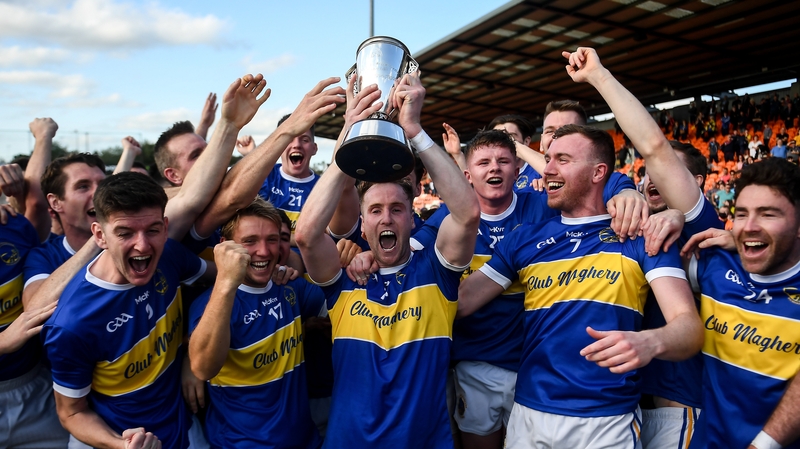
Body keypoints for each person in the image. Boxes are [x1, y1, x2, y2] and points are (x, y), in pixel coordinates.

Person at [457, 120, 702, 448]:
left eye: (563, 160)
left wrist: (651, 342)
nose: (547, 170)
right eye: (549, 158)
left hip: (606, 418)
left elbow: (689, 328)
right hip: (529, 414)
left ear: (598, 172)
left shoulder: (642, 236)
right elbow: (459, 303)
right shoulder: (524, 240)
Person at [295, 72, 480, 447]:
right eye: (375, 210)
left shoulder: (435, 271)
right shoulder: (344, 279)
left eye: (397, 208)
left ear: (413, 220)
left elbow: (467, 214)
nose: (386, 217)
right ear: (362, 227)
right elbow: (306, 235)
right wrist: (351, 136)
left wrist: (413, 129)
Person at [41, 172, 215, 449]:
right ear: (100, 235)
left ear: (166, 227)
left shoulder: (169, 255)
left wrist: (193, 352)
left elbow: (223, 281)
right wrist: (121, 445)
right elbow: (72, 412)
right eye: (125, 233)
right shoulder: (71, 324)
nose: (143, 245)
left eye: (153, 230)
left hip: (183, 426)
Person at [680, 158, 800, 449]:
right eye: (742, 214)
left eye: (768, 214)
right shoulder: (717, 264)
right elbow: (656, 153)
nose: (749, 227)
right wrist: (670, 216)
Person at [188, 197, 326, 448]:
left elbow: (344, 309)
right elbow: (203, 368)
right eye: (250, 241)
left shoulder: (291, 287)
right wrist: (225, 282)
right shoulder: (209, 305)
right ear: (225, 247)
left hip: (305, 440)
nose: (264, 251)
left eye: (272, 240)